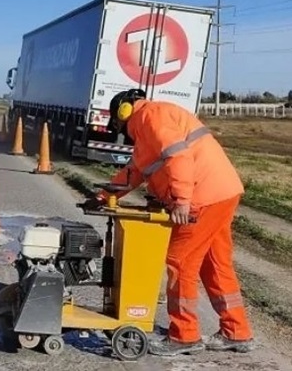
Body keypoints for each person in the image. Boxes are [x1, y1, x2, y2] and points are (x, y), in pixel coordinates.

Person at [92, 88, 254, 357]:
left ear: (124, 111)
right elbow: (134, 172)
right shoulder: (152, 122)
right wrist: (102, 196)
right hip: (221, 192)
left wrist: (181, 200)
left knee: (180, 262)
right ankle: (237, 330)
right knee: (215, 263)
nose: (124, 133)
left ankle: (185, 335)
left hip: (201, 197)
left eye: (119, 126)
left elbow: (178, 155)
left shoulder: (150, 118)